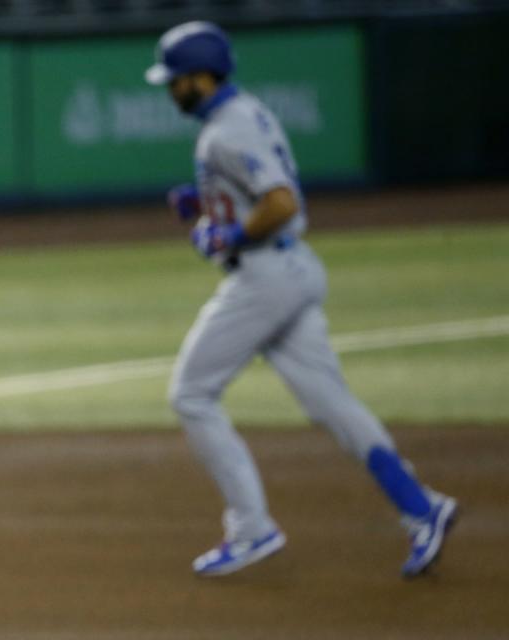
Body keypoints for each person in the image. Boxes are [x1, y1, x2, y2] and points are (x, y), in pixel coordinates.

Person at [145, 22, 457, 578]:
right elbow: (260, 193)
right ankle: (421, 506)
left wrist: (232, 235)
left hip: (265, 276)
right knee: (330, 403)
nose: (170, 90)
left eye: (175, 80)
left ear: (199, 77)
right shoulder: (242, 115)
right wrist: (209, 203)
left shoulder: (226, 131)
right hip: (291, 269)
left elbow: (281, 202)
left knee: (191, 394)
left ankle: (252, 528)